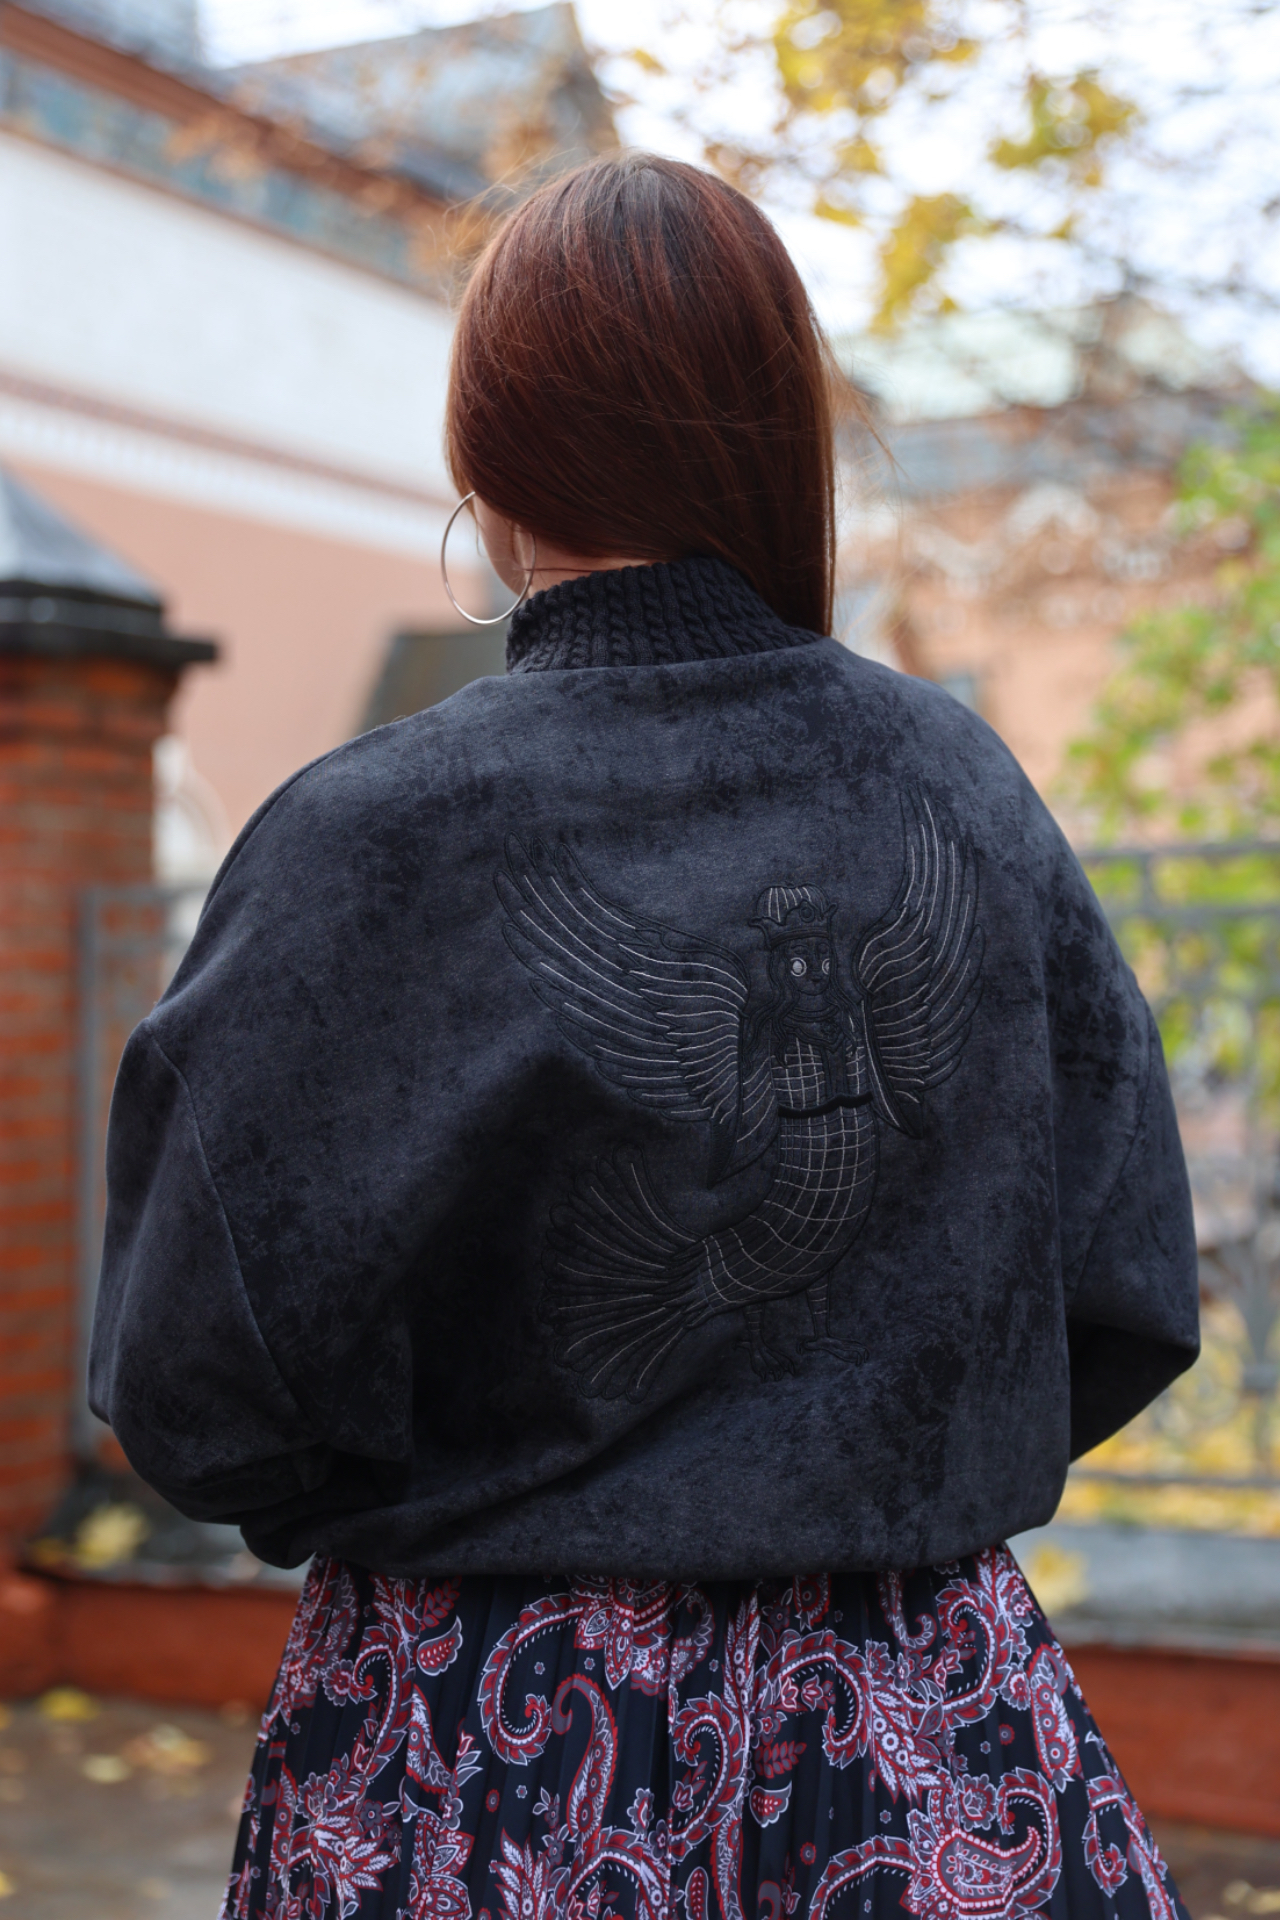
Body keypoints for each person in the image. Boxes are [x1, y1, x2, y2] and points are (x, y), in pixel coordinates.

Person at [90, 154, 1200, 1920]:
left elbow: (198, 1386)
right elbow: (1124, 1284)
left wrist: (458, 1511)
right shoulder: (959, 791)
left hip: (479, 1752)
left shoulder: (362, 841)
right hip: (924, 1738)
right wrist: (865, 1476)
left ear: (483, 454)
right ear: (784, 438)